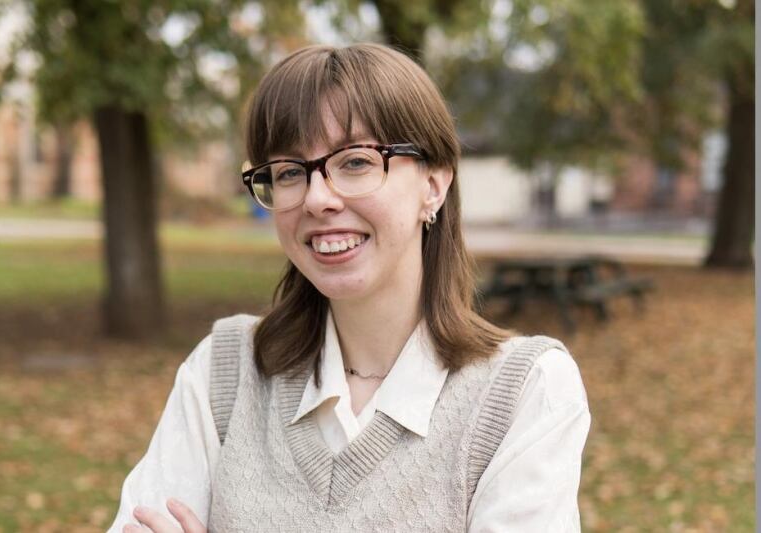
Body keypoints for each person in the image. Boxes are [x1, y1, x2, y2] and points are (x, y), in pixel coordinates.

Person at [109, 43, 590, 533]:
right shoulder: (224, 373)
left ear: (434, 185)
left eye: (356, 162)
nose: (318, 199)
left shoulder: (524, 393)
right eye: (290, 172)